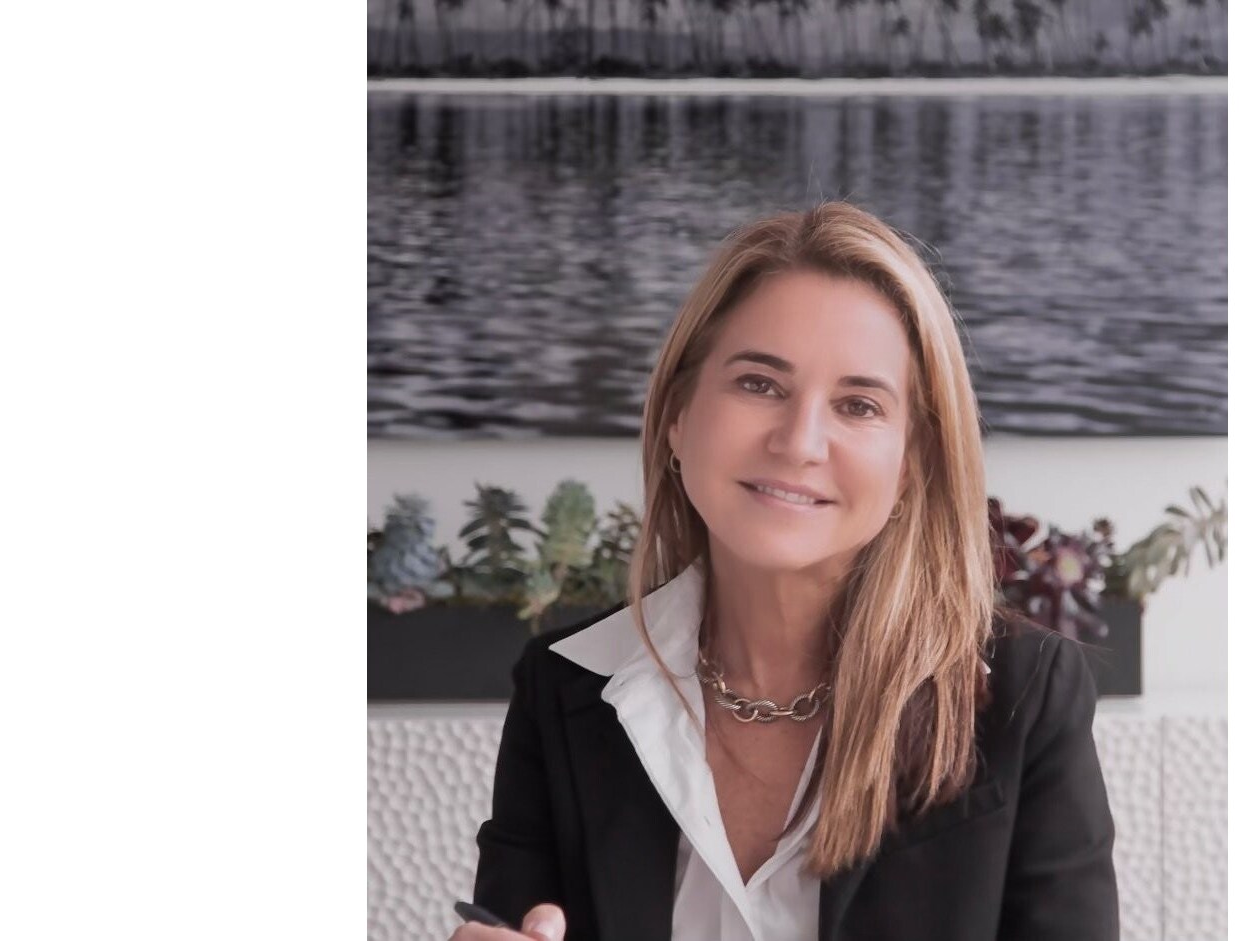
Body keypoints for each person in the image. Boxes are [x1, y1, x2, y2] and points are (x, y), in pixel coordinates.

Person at [451, 202, 1119, 941]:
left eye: (858, 405)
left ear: (912, 462)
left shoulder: (1023, 698)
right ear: (677, 414)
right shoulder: (562, 689)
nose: (800, 442)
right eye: (759, 384)